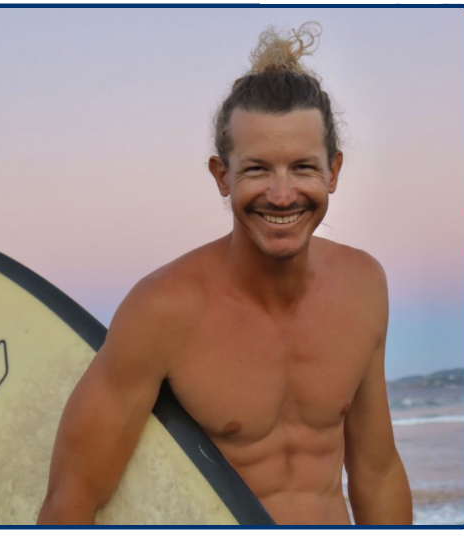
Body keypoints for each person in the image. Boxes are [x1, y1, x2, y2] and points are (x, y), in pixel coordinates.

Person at [37, 22, 412, 526]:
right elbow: (73, 498)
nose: (282, 195)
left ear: (334, 172)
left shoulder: (364, 286)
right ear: (222, 175)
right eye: (257, 169)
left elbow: (377, 473)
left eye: (302, 167)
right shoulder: (163, 310)